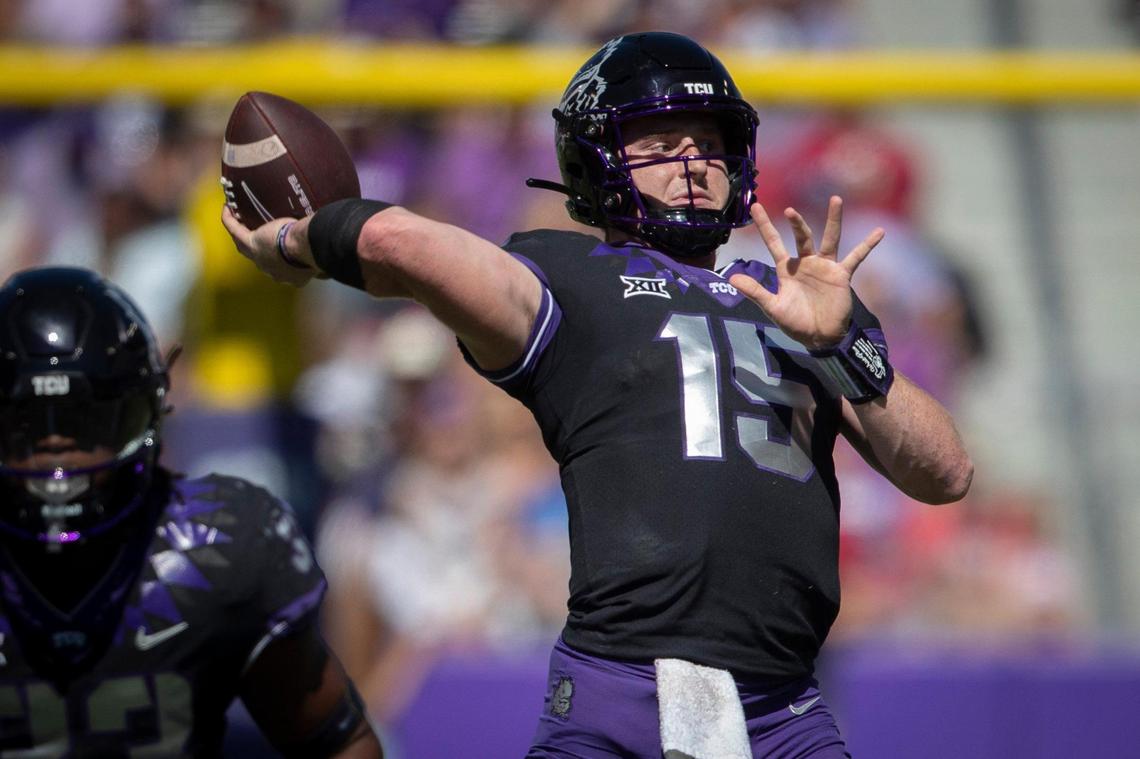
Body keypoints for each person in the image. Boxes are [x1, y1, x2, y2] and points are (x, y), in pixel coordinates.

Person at [223, 31, 972, 759]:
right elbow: (399, 245)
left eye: (706, 140)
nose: (691, 162)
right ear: (599, 159)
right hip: (622, 697)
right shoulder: (571, 275)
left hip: (785, 711)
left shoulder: (801, 298)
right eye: (659, 140)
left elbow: (943, 472)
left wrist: (843, 345)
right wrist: (300, 240)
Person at [0, 266, 382, 757]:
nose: (59, 459)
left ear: (144, 416)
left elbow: (337, 741)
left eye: (84, 421)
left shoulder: (217, 546)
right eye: (27, 426)